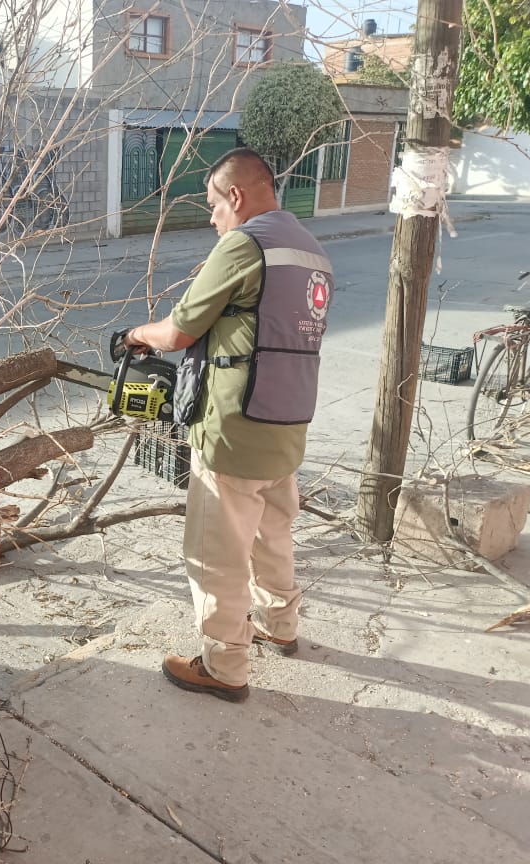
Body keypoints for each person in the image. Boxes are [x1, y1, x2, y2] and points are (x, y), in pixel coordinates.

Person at [122, 148, 333, 703]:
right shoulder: (312, 251)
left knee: (216, 554)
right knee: (273, 535)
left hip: (234, 430)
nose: (214, 218)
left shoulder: (244, 244)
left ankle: (224, 666)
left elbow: (181, 331)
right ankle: (280, 626)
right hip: (287, 426)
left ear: (235, 196)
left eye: (215, 205)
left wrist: (135, 335)